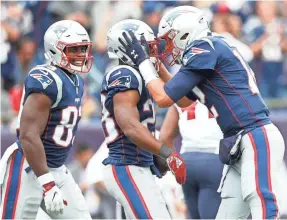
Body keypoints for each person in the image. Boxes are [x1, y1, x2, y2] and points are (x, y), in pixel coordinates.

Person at [118, 5, 287, 219]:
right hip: (237, 139)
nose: (168, 46)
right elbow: (184, 101)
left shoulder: (204, 47)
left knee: (260, 199)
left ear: (185, 32)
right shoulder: (210, 48)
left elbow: (162, 99)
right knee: (229, 211)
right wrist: (156, 66)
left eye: (170, 39)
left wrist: (143, 64)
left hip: (254, 135)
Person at [0, 20, 93, 219]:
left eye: (83, 49)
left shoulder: (76, 80)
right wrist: (47, 183)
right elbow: (28, 136)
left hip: (57, 168)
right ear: (55, 50)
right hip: (28, 166)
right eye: (74, 50)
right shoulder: (46, 79)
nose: (81, 55)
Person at [101, 19, 186, 219]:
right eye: (146, 48)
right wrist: (167, 153)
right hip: (126, 165)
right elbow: (130, 127)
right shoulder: (125, 74)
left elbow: (181, 99)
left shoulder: (142, 74)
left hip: (139, 165)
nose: (151, 53)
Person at [160, 101, 223, 219]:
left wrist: (176, 167)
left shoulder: (181, 92)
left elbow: (164, 137)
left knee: (193, 216)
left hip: (187, 159)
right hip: (214, 157)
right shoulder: (220, 87)